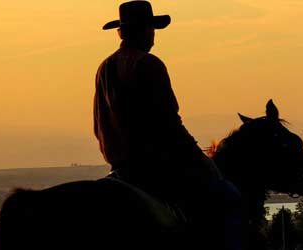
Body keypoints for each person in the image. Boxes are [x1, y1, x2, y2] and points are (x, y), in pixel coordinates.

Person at [95, 1, 240, 249]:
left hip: (119, 166)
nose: (153, 35)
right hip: (158, 166)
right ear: (143, 31)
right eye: (151, 29)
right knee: (228, 198)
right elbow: (169, 122)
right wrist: (200, 159)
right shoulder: (150, 64)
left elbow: (100, 123)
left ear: (121, 32)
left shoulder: (104, 68)